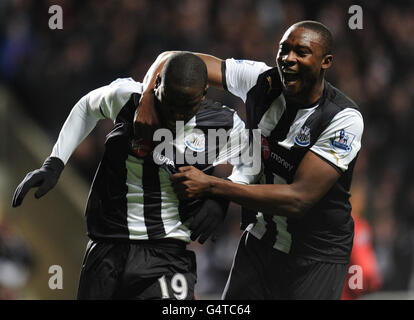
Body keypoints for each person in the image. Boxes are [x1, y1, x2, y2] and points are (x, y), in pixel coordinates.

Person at [135, 21, 364, 299]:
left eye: (301, 52)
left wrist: (214, 188)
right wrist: (147, 98)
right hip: (260, 241)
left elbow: (298, 198)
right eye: (284, 49)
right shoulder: (260, 80)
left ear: (325, 62)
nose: (288, 59)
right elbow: (176, 60)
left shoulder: (342, 119)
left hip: (315, 257)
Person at [11, 52, 248, 299]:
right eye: (171, 101)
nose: (176, 114)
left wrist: (222, 196)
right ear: (156, 85)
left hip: (166, 252)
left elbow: (251, 164)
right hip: (107, 245)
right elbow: (87, 106)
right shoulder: (129, 98)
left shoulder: (224, 124)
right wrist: (55, 162)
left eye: (186, 106)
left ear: (203, 96)